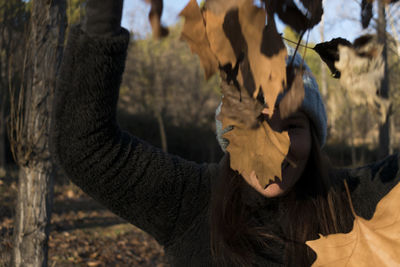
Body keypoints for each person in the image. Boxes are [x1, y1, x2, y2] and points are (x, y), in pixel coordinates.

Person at [50, 1, 400, 266]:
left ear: (315, 136)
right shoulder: (190, 201)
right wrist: (101, 19)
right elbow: (85, 147)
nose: (277, 147)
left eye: (293, 125)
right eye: (255, 123)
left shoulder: (354, 203)